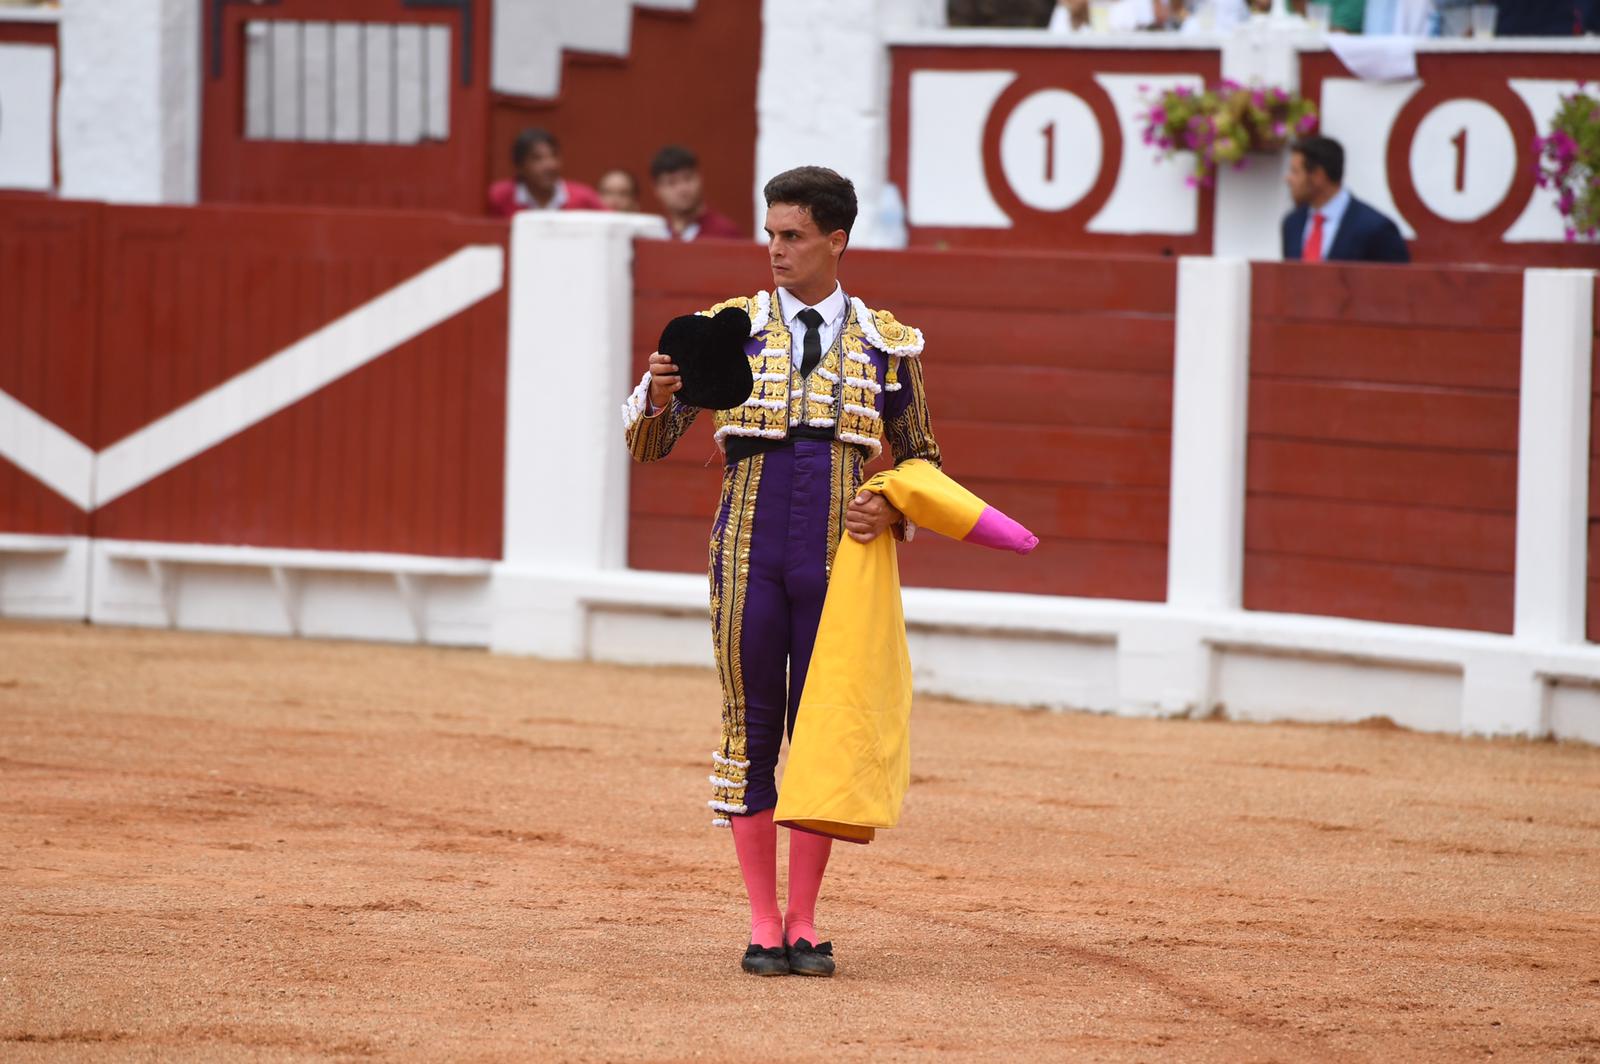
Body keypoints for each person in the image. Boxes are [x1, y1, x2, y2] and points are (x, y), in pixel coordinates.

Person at [620, 166, 940, 978]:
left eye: (792, 235)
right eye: (769, 234)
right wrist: (657, 400)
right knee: (750, 727)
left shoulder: (886, 342)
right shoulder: (725, 330)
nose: (775, 250)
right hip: (748, 550)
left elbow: (924, 461)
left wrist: (894, 510)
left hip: (842, 556)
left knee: (823, 732)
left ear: (837, 240)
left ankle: (805, 920)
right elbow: (650, 446)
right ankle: (764, 923)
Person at [1281, 136, 1409, 264]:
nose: (1288, 179)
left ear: (1318, 176)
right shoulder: (1293, 223)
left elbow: (1396, 281)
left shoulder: (1376, 228)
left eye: (1295, 172)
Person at [486, 128, 603, 218]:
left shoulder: (583, 198)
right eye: (537, 159)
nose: (549, 165)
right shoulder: (499, 197)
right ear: (520, 166)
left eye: (553, 156)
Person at [650, 145, 744, 241]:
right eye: (671, 183)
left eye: (688, 178)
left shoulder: (725, 233)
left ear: (700, 179)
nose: (682, 189)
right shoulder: (655, 236)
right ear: (657, 190)